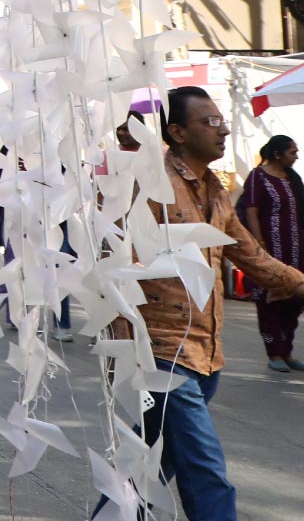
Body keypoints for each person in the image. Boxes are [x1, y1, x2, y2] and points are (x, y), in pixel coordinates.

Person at [109, 89, 304, 521]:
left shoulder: (215, 190)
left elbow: (250, 254)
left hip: (206, 353)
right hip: (161, 351)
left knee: (150, 467)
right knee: (206, 470)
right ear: (176, 132)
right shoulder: (149, 182)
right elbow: (115, 259)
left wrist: (297, 283)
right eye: (210, 122)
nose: (224, 129)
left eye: (221, 120)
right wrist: (123, 340)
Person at [240, 134, 304, 369]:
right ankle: (274, 354)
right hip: (270, 250)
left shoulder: (291, 178)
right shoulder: (258, 176)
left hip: (296, 251)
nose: (296, 157)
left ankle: (287, 352)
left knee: (294, 301)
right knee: (270, 302)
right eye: (292, 152)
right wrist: (258, 243)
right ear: (277, 154)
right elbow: (251, 211)